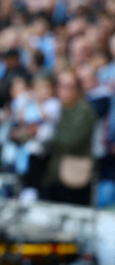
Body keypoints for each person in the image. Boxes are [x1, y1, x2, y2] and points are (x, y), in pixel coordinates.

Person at [41, 69, 97, 206]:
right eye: (61, 86)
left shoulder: (84, 110)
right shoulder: (55, 107)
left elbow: (71, 141)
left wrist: (43, 133)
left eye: (70, 86)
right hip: (53, 175)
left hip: (74, 176)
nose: (65, 91)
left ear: (78, 89)